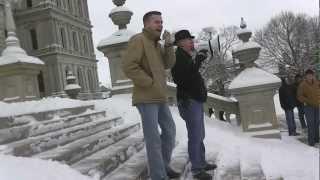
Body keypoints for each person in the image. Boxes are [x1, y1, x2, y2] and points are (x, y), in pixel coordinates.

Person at [122, 11, 179, 180]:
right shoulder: (138, 40)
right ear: (147, 24)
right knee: (153, 138)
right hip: (146, 98)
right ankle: (157, 175)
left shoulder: (158, 44)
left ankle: (163, 165)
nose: (160, 25)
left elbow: (168, 64)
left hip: (159, 96)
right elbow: (128, 66)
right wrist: (149, 83)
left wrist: (168, 46)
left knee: (169, 131)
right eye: (156, 22)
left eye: (161, 22)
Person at [171, 30, 217, 180]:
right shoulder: (178, 57)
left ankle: (201, 163)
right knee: (195, 136)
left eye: (191, 39)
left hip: (194, 101)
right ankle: (197, 170)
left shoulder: (185, 56)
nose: (192, 42)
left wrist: (198, 61)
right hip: (189, 101)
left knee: (199, 135)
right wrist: (197, 61)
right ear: (180, 43)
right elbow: (182, 80)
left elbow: (190, 75)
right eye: (188, 39)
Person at [297, 69, 320, 146]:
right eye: (308, 75)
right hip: (308, 107)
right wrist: (307, 100)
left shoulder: (317, 82)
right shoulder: (302, 85)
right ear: (306, 76)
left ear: (313, 75)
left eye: (311, 75)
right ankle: (311, 141)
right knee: (311, 124)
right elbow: (299, 96)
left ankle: (317, 139)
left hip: (317, 106)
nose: (310, 76)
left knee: (317, 123)